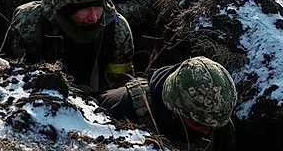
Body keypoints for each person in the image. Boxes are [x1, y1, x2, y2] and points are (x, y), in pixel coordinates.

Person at [7, 0, 134, 96]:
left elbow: (118, 84)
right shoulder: (29, 22)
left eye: (98, 6)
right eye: (84, 9)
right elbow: (12, 77)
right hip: (40, 98)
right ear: (65, 7)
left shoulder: (117, 29)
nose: (94, 17)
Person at [99, 56, 237, 151]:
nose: (207, 131)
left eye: (212, 126)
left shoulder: (215, 120)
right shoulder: (121, 106)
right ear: (174, 108)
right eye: (197, 123)